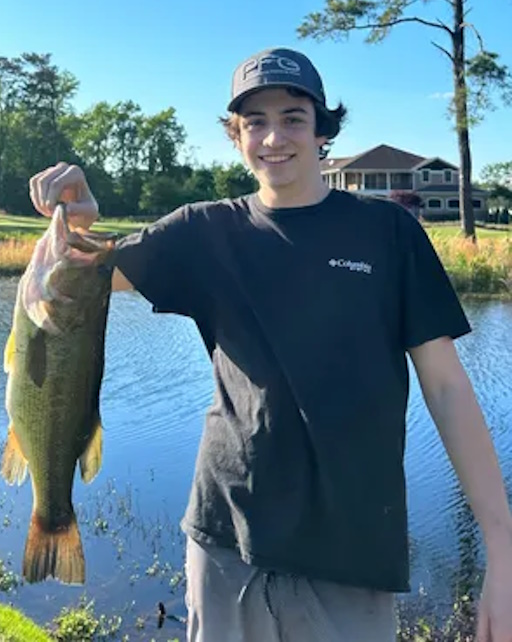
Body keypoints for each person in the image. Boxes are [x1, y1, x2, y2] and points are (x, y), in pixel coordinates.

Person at [29, 47, 512, 642]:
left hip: (351, 555)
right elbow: (81, 278)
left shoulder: (389, 233)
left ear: (321, 131)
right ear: (236, 136)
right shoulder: (206, 231)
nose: (273, 136)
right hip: (225, 540)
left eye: (293, 117)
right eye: (255, 121)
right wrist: (78, 216)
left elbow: (447, 388)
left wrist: (502, 546)